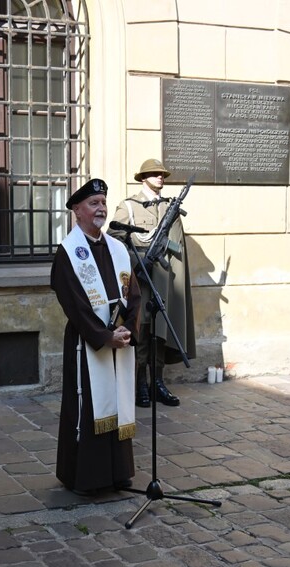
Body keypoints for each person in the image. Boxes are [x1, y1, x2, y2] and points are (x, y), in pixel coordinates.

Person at [50, 178, 142, 496]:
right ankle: (87, 477)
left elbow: (135, 295)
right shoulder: (68, 253)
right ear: (77, 210)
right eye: (93, 203)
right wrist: (104, 336)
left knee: (117, 401)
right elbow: (73, 302)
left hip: (119, 341)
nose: (101, 208)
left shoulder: (118, 249)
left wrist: (129, 329)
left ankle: (117, 472)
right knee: (89, 406)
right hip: (86, 344)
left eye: (103, 202)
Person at [109, 159, 196, 408]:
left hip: (164, 281)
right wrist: (138, 263)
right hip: (140, 280)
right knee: (143, 334)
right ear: (143, 177)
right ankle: (139, 386)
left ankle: (157, 383)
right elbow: (116, 237)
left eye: (162, 174)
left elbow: (177, 245)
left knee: (160, 334)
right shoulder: (129, 206)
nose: (161, 177)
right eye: (155, 174)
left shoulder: (169, 207)